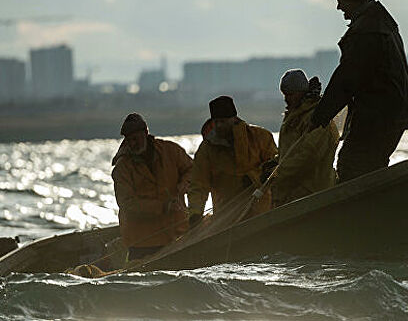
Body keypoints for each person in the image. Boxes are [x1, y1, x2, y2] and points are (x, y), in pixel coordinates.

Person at [310, 0, 408, 182]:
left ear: (351, 1)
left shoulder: (365, 32)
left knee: (352, 164)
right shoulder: (382, 23)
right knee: (372, 166)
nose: (338, 7)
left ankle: (360, 212)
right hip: (395, 112)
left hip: (378, 114)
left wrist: (320, 117)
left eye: (340, 1)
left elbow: (346, 79)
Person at [111, 113, 193, 260]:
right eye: (129, 140)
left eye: (136, 138)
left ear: (146, 133)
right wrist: (162, 207)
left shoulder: (170, 150)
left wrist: (183, 185)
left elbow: (192, 170)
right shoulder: (121, 168)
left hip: (178, 233)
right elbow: (127, 204)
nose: (133, 143)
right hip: (142, 242)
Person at [187, 96, 278, 227]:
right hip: (227, 219)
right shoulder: (207, 149)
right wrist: (195, 213)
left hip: (261, 214)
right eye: (216, 122)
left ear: (234, 119)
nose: (219, 126)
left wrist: (252, 178)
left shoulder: (261, 137)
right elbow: (198, 185)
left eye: (223, 121)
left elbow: (275, 167)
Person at [269, 69, 339, 207]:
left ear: (301, 92)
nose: (286, 99)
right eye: (284, 94)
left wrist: (278, 173)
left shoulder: (318, 118)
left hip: (312, 194)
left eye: (290, 94)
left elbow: (309, 156)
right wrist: (273, 164)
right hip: (291, 196)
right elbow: (288, 152)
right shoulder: (293, 117)